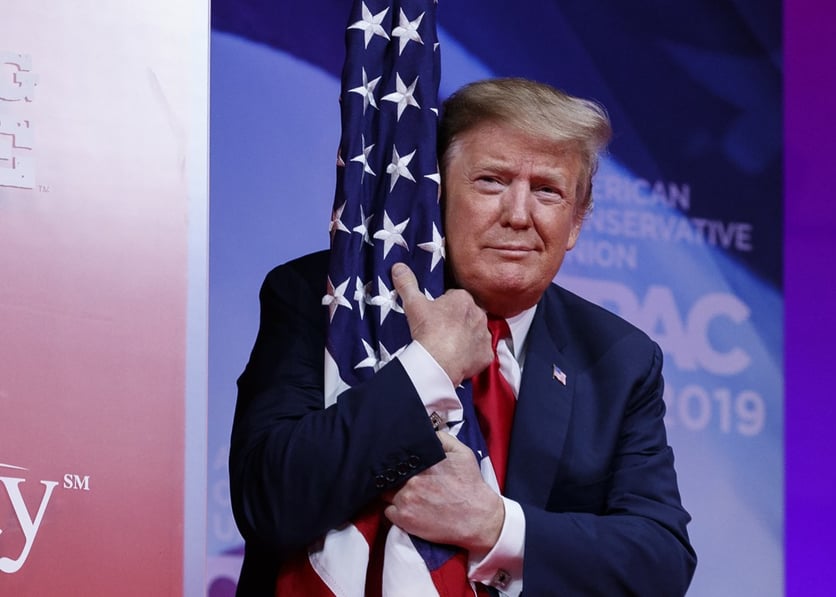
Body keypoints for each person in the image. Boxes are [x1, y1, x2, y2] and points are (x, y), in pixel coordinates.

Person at [230, 77, 697, 596]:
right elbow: (267, 501)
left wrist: (496, 527)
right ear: (436, 195)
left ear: (577, 221)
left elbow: (661, 562)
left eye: (547, 190)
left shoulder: (619, 358)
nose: (519, 215)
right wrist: (427, 368)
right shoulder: (328, 300)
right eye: (492, 181)